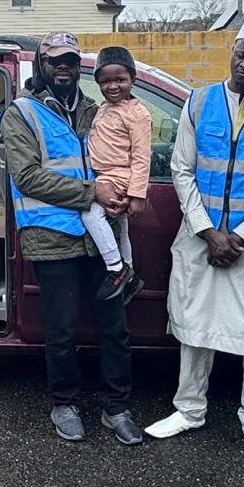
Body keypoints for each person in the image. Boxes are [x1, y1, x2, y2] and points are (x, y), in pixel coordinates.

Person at [145, 20, 244, 459]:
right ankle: (188, 409)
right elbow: (181, 169)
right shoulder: (199, 101)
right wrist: (208, 232)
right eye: (240, 54)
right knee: (195, 325)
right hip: (200, 238)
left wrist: (241, 238)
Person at [0, 30, 141, 445]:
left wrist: (126, 189)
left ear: (80, 67)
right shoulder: (22, 113)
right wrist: (91, 192)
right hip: (53, 237)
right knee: (60, 329)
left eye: (71, 61)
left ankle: (117, 408)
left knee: (114, 328)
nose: (63, 67)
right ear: (41, 65)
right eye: (54, 61)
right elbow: (27, 177)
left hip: (101, 237)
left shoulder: (97, 110)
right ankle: (65, 403)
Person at [83, 45, 151, 300]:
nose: (113, 86)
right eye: (105, 81)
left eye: (120, 80)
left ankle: (116, 268)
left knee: (90, 213)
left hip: (119, 175)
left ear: (133, 79)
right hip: (103, 175)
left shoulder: (137, 114)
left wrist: (137, 195)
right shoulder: (103, 108)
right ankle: (129, 274)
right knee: (120, 224)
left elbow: (142, 157)